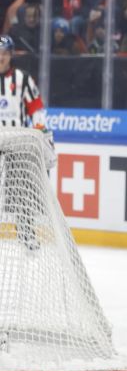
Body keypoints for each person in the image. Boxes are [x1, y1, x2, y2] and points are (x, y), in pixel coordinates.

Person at [0, 34, 54, 250]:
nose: (1, 58)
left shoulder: (22, 80)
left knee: (21, 191)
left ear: (11, 56)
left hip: (17, 144)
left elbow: (37, 112)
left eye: (4, 54)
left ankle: (27, 233)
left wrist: (47, 140)